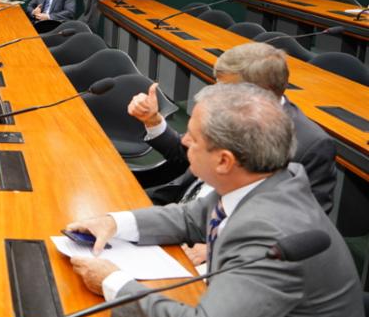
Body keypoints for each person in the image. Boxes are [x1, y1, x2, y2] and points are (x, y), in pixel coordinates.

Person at [68, 83, 369, 317]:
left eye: (193, 138)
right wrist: (113, 223)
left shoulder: (269, 230)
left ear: (225, 160)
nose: (183, 140)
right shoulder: (266, 179)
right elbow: (191, 216)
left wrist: (113, 283)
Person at [128, 43, 337, 226]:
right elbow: (186, 153)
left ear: (261, 92)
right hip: (182, 208)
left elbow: (305, 223)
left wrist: (216, 241)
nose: (217, 93)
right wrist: (153, 120)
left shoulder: (311, 144)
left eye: (226, 88)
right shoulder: (228, 106)